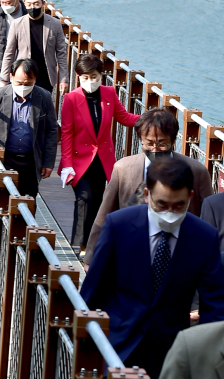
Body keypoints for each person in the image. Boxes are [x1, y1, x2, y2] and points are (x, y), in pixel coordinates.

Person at [80, 157, 224, 379]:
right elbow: (93, 290)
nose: (169, 213)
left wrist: (202, 356)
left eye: (179, 206)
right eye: (161, 204)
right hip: (118, 344)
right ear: (147, 194)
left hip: (172, 353)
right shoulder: (119, 225)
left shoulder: (204, 237)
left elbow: (216, 304)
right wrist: (86, 346)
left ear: (190, 197)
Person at [83, 108, 213, 266]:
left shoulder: (197, 171)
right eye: (149, 144)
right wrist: (90, 260)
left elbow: (208, 219)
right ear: (141, 140)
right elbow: (104, 215)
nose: (155, 150)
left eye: (162, 144)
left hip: (180, 254)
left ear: (173, 142)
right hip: (131, 250)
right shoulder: (123, 169)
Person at [59, 54, 139, 252]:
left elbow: (124, 117)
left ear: (101, 76)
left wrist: (150, 117)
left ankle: (92, 244)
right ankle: (80, 244)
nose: (90, 81)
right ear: (78, 77)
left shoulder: (110, 93)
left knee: (98, 201)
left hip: (102, 159)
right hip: (78, 160)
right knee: (84, 198)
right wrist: (67, 163)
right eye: (85, 77)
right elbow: (66, 134)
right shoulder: (71, 98)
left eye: (94, 76)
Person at [0, 58, 57, 198]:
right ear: (11, 77)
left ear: (35, 80)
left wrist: (48, 162)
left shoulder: (44, 97)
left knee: (28, 200)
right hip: (5, 157)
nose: (23, 87)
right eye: (19, 83)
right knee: (2, 199)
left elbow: (51, 131)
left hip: (31, 160)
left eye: (28, 83)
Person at [0, 0, 68, 97]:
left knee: (41, 109)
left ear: (43, 3)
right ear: (24, 4)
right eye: (29, 4)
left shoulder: (55, 24)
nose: (32, 7)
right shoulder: (17, 24)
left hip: (46, 76)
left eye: (36, 4)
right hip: (23, 75)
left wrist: (64, 79)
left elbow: (61, 53)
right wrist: (4, 78)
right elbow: (9, 53)